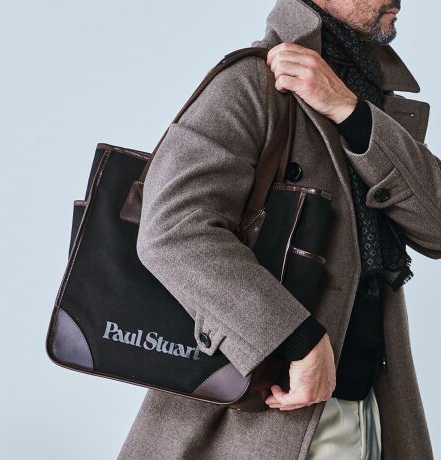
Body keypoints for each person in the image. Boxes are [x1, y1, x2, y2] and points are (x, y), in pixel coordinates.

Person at [117, 0, 440, 458]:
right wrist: (296, 339)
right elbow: (174, 229)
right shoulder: (253, 83)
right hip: (263, 415)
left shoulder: (365, 97)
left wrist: (351, 112)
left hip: (367, 407)